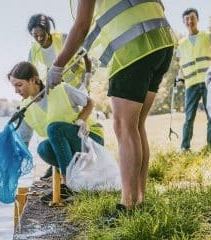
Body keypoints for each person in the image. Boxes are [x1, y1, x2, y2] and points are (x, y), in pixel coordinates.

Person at [45, 0, 175, 213]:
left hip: (133, 47)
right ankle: (139, 199)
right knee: (136, 125)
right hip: (162, 42)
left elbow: (81, 26)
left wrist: (58, 66)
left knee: (124, 127)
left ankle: (127, 205)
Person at [8, 61, 104, 203]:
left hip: (89, 139)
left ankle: (69, 186)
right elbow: (23, 145)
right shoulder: (25, 108)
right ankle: (79, 181)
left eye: (19, 85)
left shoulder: (60, 88)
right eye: (14, 86)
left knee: (54, 128)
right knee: (43, 149)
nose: (16, 91)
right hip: (71, 149)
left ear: (34, 80)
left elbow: (89, 102)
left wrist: (82, 120)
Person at [27, 14, 93, 179]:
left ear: (48, 31)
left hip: (75, 86)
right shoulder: (34, 49)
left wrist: (88, 77)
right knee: (55, 122)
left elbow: (85, 55)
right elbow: (29, 70)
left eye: (42, 34)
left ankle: (78, 161)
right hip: (55, 89)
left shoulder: (63, 39)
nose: (39, 38)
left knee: (72, 123)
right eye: (35, 36)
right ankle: (57, 163)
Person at [176, 8, 211, 151]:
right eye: (186, 19)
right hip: (191, 84)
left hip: (208, 82)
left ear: (197, 19)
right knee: (188, 118)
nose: (189, 21)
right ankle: (185, 148)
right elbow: (181, 65)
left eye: (192, 17)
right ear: (183, 22)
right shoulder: (181, 43)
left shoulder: (207, 35)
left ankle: (210, 146)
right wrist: (179, 78)